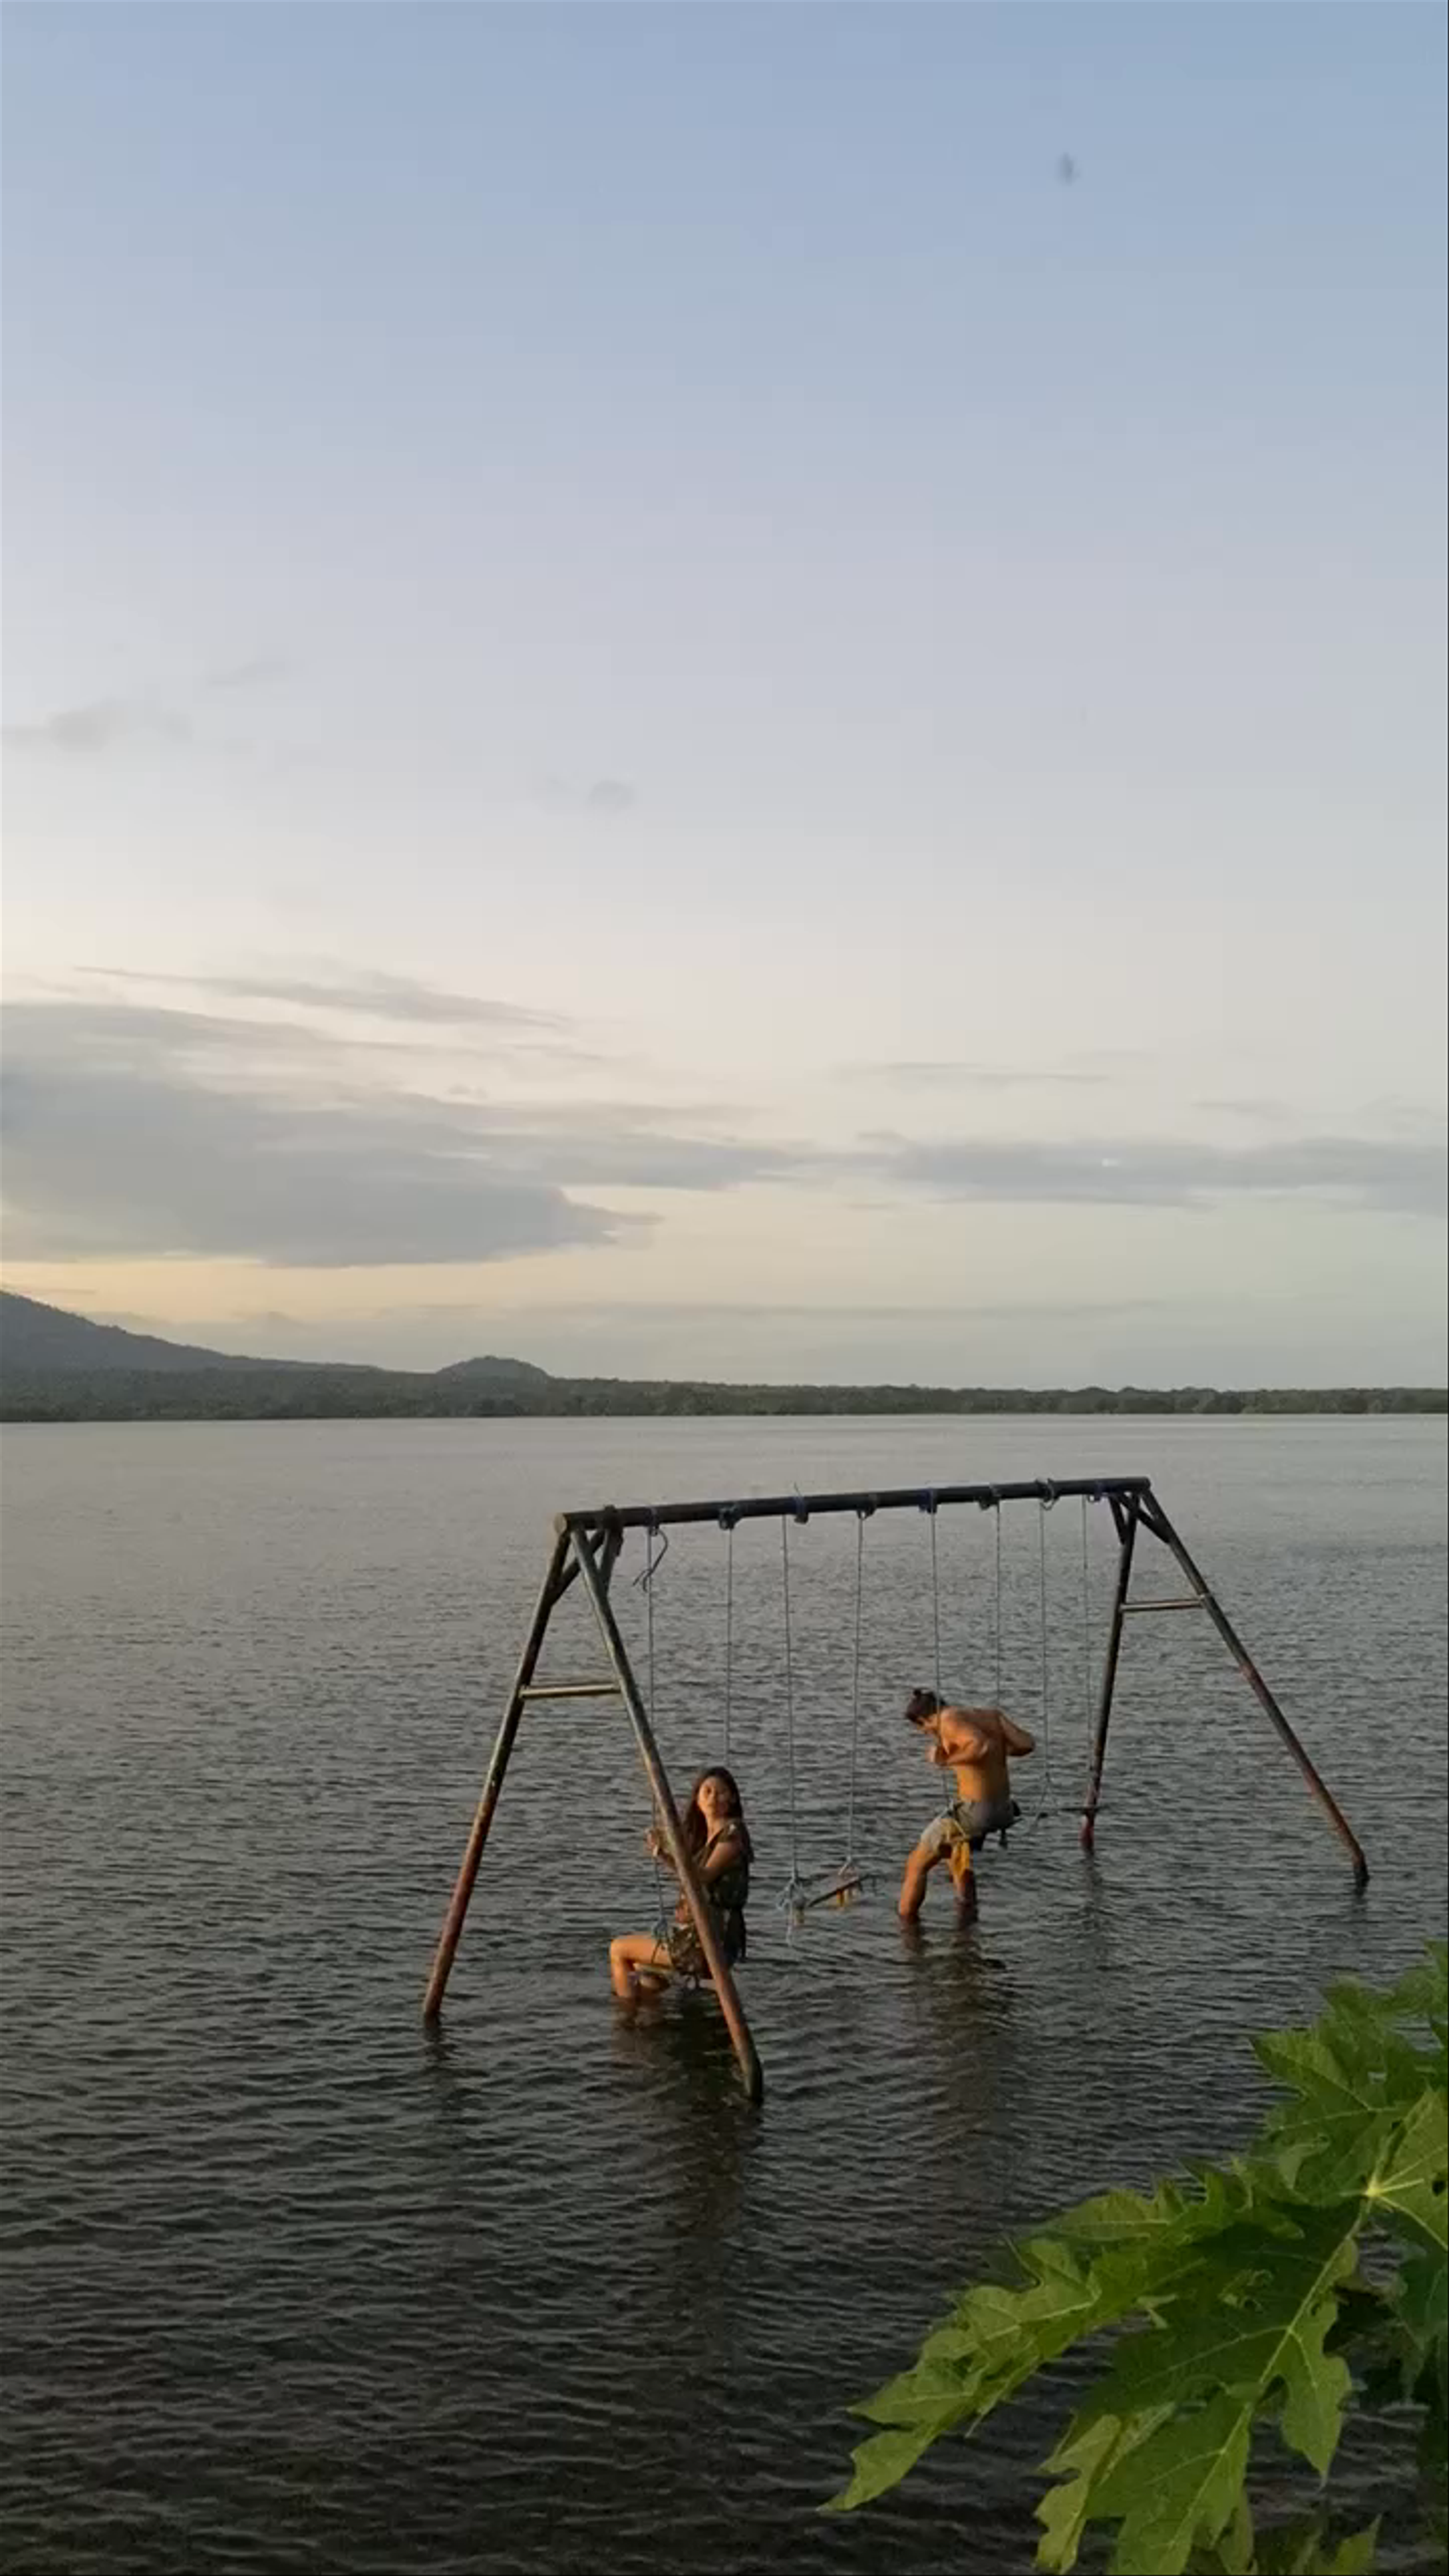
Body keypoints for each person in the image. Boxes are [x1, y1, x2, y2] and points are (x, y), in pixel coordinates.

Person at [608, 1767, 752, 2003]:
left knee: (618, 1950)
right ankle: (649, 2025)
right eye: (707, 1792)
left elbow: (702, 1877)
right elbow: (693, 1878)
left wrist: (667, 1854)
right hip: (702, 1936)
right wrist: (665, 1853)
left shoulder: (733, 1834)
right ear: (698, 1799)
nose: (713, 1798)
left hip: (711, 1941)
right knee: (644, 1973)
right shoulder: (707, 1836)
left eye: (721, 1792)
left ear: (733, 1798)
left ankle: (625, 2022)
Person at [897, 1687, 1036, 1919]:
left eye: (921, 1728)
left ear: (924, 1719)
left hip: (978, 1811)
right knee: (955, 1853)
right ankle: (967, 1914)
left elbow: (980, 1745)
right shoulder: (992, 1716)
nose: (925, 1733)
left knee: (916, 1864)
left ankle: (906, 1931)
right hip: (1004, 1809)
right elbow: (1027, 1744)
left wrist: (945, 1760)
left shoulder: (947, 1719)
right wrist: (996, 1754)